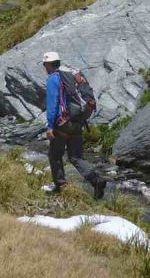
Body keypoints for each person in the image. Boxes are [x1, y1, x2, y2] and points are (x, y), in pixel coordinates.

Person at [43, 51, 107, 199]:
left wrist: (50, 126)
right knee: (76, 157)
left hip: (62, 124)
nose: (44, 67)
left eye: (45, 64)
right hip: (78, 121)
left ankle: (61, 187)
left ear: (48, 64)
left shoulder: (54, 79)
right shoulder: (70, 76)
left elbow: (53, 104)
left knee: (55, 155)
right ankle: (97, 180)